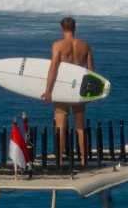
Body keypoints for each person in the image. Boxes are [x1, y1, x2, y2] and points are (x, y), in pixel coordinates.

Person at [40, 16, 94, 164]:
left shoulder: (58, 45)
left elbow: (53, 68)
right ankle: (83, 160)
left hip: (62, 89)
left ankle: (61, 161)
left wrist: (48, 90)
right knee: (80, 127)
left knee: (60, 125)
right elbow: (91, 72)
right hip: (78, 90)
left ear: (62, 28)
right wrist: (90, 94)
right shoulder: (85, 46)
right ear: (75, 28)